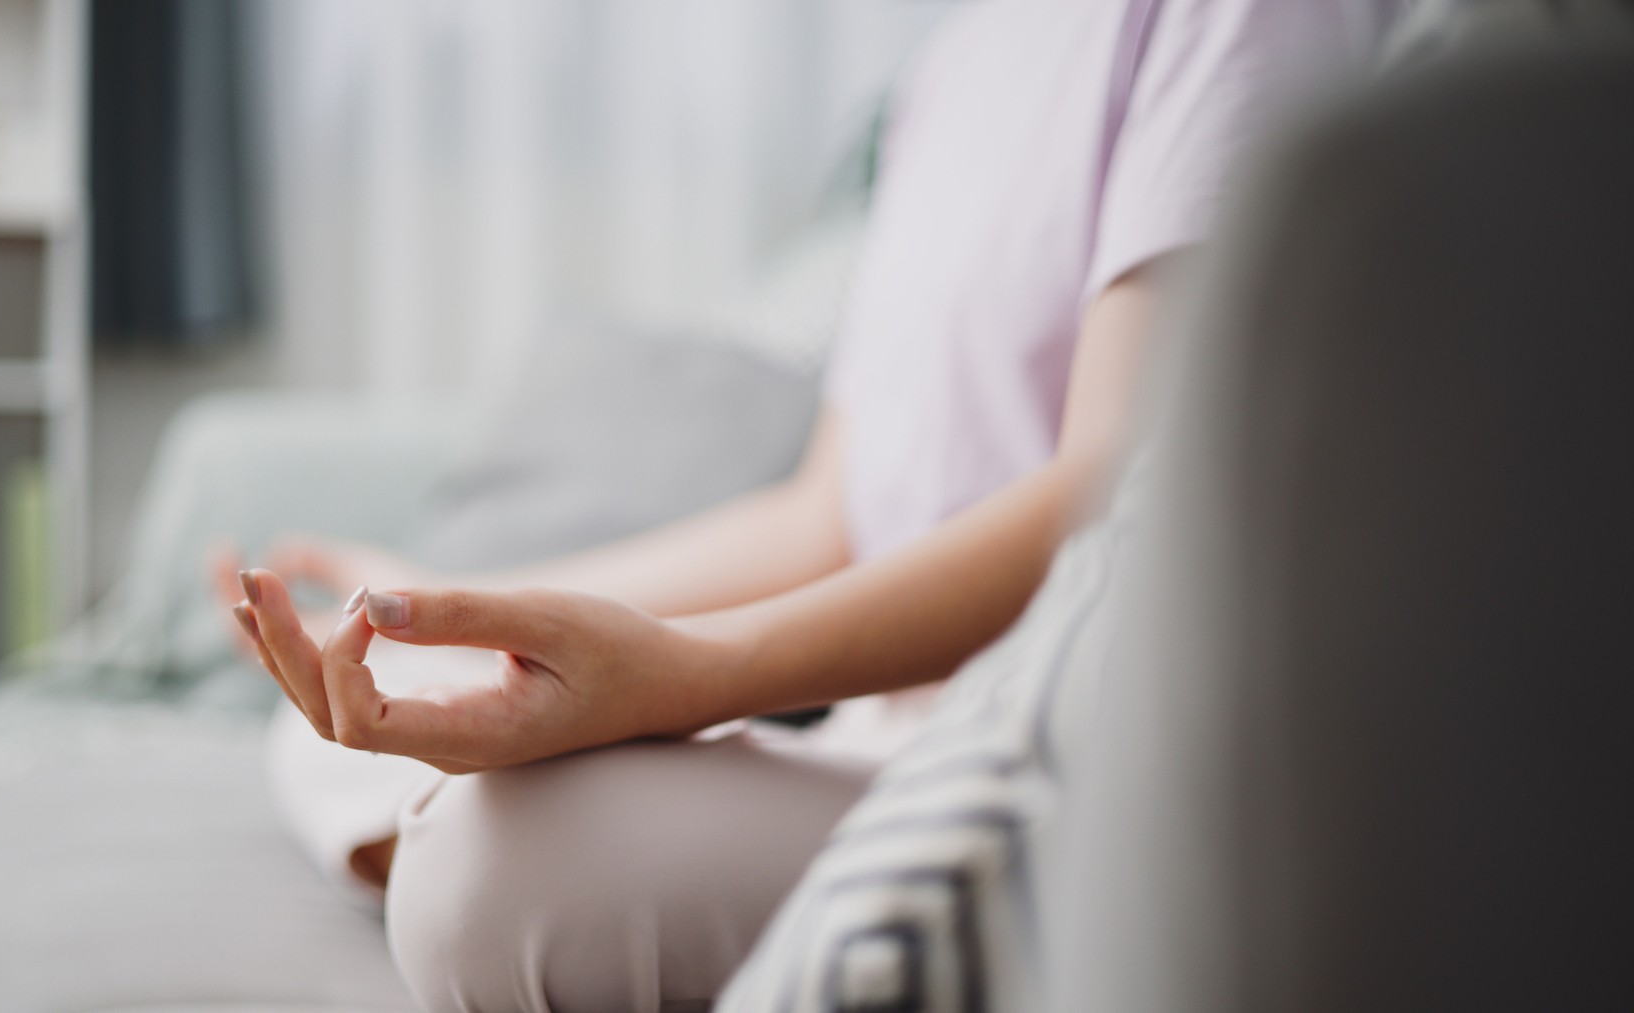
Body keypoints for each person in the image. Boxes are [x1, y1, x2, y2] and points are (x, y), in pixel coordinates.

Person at [226, 2, 1388, 1008]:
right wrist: (454, 610)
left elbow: (1111, 501)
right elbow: (829, 512)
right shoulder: (956, 61)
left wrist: (685, 677)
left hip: (1049, 754)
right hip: (870, 724)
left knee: (478, 874)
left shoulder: (1234, 17)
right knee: (330, 723)